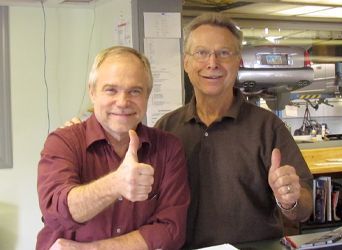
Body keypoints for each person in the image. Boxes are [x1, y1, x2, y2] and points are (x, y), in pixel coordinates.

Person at [155, 13, 313, 249]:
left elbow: (304, 207)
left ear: (238, 61)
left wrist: (290, 200)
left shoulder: (268, 127)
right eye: (201, 53)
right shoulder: (166, 129)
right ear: (186, 62)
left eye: (224, 53)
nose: (212, 63)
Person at [36, 46, 190, 250]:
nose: (122, 102)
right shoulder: (63, 142)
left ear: (147, 96)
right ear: (92, 92)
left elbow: (171, 230)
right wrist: (115, 184)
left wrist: (92, 249)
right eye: (111, 90)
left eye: (135, 91)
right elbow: (56, 214)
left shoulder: (168, 148)